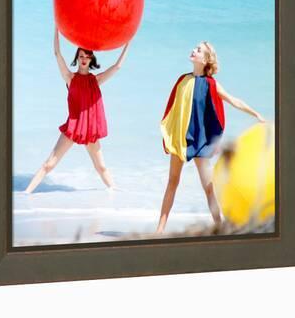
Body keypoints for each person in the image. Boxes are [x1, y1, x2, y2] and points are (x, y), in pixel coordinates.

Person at [156, 41, 265, 234]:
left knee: (208, 187)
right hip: (181, 140)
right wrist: (170, 133)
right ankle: (159, 230)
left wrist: (255, 114)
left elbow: (233, 100)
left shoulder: (211, 84)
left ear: (206, 59)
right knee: (172, 182)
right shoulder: (183, 80)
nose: (193, 50)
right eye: (195, 48)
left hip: (200, 141)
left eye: (198, 50)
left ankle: (219, 226)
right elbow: (175, 109)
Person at [24, 26, 130, 194]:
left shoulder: (96, 80)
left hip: (90, 130)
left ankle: (115, 192)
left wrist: (127, 42)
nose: (83, 59)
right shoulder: (70, 78)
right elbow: (57, 54)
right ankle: (26, 193)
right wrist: (56, 30)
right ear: (77, 58)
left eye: (87, 56)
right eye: (81, 56)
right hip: (73, 127)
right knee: (49, 164)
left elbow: (117, 67)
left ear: (91, 59)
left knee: (101, 166)